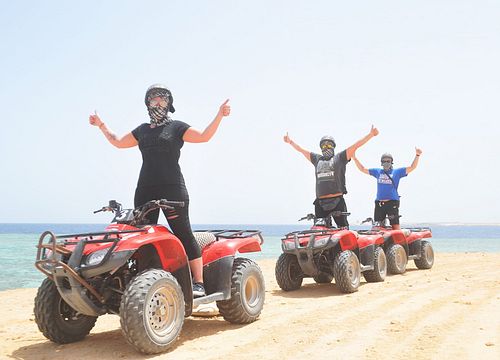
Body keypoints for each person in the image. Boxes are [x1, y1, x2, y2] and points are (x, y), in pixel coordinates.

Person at [89, 84, 231, 297]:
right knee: (142, 236)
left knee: (183, 232)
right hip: (145, 189)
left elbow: (203, 136)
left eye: (162, 98)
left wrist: (219, 115)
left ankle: (198, 283)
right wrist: (101, 125)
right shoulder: (142, 130)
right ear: (147, 103)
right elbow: (118, 142)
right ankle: (147, 280)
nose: (157, 102)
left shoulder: (177, 128)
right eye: (153, 98)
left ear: (169, 103)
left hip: (173, 189)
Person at [283, 126, 379, 228]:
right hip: (320, 203)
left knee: (343, 230)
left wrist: (371, 135)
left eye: (329, 145)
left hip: (337, 201)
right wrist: (290, 142)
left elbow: (355, 146)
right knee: (320, 231)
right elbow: (302, 150)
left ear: (333, 146)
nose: (326, 147)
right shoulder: (317, 159)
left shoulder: (340, 158)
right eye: (324, 145)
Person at [352, 148, 422, 230]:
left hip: (392, 203)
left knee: (395, 226)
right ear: (381, 162)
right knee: (378, 227)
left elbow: (412, 167)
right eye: (384, 161)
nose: (386, 163)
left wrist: (417, 155)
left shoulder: (397, 172)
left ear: (392, 162)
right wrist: (354, 158)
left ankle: (399, 242)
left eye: (388, 161)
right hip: (379, 203)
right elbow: (362, 169)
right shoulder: (377, 172)